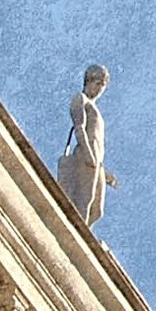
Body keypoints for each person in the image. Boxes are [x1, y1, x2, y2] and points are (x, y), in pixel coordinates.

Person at [56, 63, 116, 223]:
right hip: (86, 155)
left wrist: (104, 172)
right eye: (98, 84)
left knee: (97, 211)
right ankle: (72, 233)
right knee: (83, 202)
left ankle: (81, 236)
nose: (99, 89)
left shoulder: (96, 109)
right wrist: (88, 154)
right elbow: (79, 128)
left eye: (102, 86)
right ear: (89, 81)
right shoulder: (81, 99)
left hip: (97, 161)